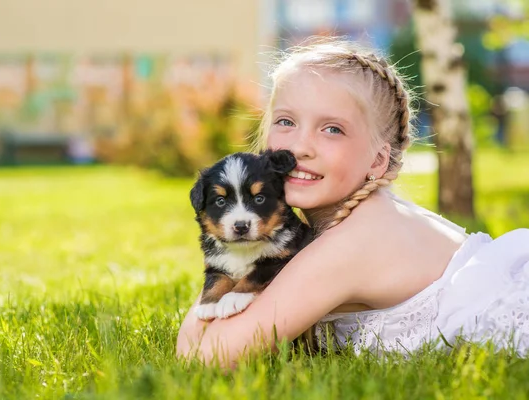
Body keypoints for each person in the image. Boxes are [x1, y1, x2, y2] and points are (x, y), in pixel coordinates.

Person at [175, 38, 529, 367]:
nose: (300, 147)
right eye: (286, 121)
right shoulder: (366, 213)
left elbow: (205, 355)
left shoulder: (353, 242)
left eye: (332, 129)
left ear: (377, 161)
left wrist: (227, 259)